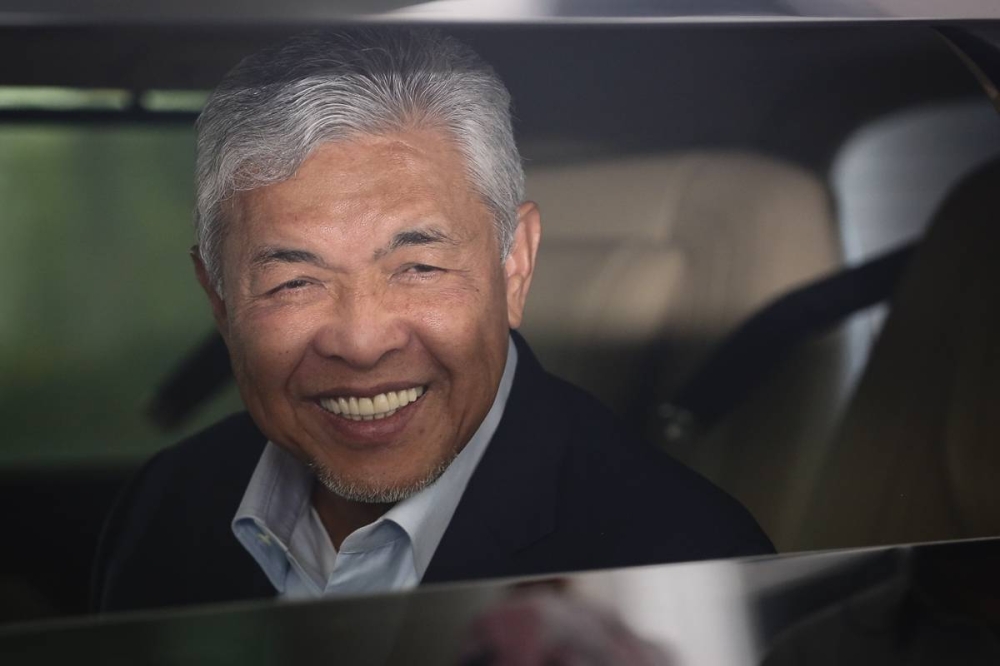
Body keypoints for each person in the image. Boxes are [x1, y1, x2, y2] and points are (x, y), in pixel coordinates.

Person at [93, 28, 773, 612]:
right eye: (295, 281)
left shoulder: (683, 563)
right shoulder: (168, 504)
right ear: (218, 300)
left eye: (417, 267)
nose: (361, 343)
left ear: (516, 265)